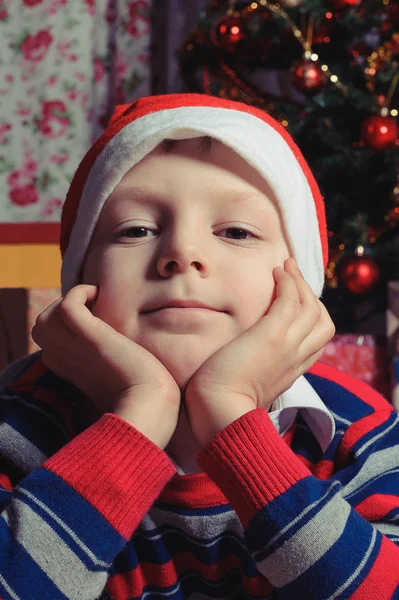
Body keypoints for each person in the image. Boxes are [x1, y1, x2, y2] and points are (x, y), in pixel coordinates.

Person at [0, 93, 398, 600]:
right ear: (81, 278)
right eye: (137, 230)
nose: (182, 253)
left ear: (301, 288)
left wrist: (230, 414)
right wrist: (139, 414)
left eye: (236, 231)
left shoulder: (355, 431)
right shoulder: (15, 421)